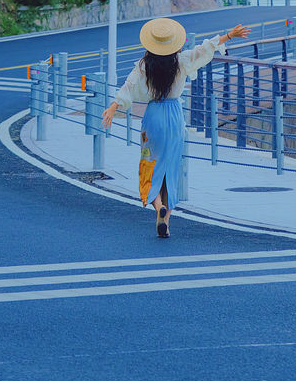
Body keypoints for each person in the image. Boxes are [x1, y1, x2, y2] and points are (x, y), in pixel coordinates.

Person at [101, 18, 250, 237]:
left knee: (149, 164)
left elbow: (129, 86)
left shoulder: (144, 65)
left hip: (153, 118)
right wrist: (229, 35)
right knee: (171, 168)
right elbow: (204, 49)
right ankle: (166, 222)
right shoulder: (181, 61)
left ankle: (157, 205)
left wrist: (114, 106)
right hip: (174, 117)